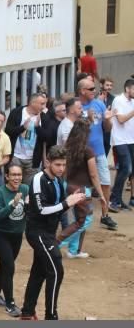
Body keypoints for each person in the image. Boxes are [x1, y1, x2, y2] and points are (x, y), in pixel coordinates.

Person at [20, 146, 86, 320]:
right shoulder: (38, 179)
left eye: (64, 165)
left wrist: (69, 202)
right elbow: (41, 209)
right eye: (58, 165)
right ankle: (51, 316)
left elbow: (56, 208)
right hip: (38, 232)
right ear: (48, 162)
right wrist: (66, 203)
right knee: (56, 271)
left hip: (49, 232)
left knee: (39, 271)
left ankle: (27, 312)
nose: (61, 169)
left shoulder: (57, 180)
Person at [58, 119, 104, 259]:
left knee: (80, 219)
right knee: (84, 221)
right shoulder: (87, 150)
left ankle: (74, 250)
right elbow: (93, 174)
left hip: (69, 185)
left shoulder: (66, 148)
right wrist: (101, 194)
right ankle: (56, 243)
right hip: (82, 189)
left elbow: (63, 170)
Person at [77, 77, 116, 230]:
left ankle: (105, 215)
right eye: (91, 89)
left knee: (105, 183)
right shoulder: (76, 106)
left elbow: (107, 128)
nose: (95, 91)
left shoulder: (99, 104)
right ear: (82, 91)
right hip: (81, 153)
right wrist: (88, 120)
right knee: (81, 185)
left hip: (99, 152)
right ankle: (80, 216)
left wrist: (107, 120)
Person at [0, 162, 28, 317]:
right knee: (9, 267)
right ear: (6, 176)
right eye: (13, 175)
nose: (16, 178)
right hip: (0, 234)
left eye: (19, 175)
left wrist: (28, 206)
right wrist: (13, 204)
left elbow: (31, 210)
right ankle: (10, 304)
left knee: (5, 265)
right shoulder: (0, 192)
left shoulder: (25, 189)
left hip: (17, 235)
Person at [5, 92, 47, 184]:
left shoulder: (43, 116)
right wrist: (22, 127)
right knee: (13, 185)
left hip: (33, 160)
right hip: (16, 156)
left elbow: (47, 137)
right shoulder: (16, 112)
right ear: (33, 103)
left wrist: (37, 127)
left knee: (30, 188)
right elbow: (8, 131)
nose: (43, 107)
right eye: (42, 104)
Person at [110, 79, 134, 211]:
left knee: (126, 170)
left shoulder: (132, 101)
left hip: (131, 140)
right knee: (126, 169)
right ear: (127, 89)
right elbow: (121, 120)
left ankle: (118, 199)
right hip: (120, 140)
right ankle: (114, 199)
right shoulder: (118, 100)